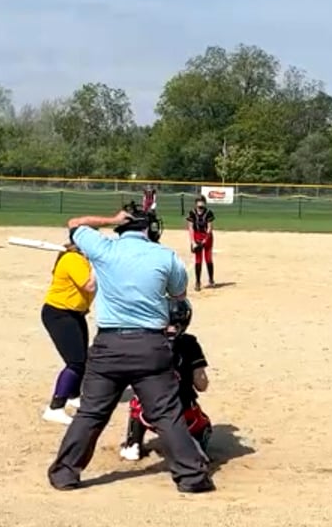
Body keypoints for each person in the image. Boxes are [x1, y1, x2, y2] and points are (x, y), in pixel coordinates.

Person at [47, 202, 213, 495]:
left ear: (122, 226)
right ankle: (191, 477)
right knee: (167, 414)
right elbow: (178, 295)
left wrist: (110, 219)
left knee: (91, 413)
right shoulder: (165, 256)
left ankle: (64, 474)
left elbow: (75, 223)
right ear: (149, 228)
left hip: (109, 345)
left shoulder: (104, 249)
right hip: (151, 344)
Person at [121, 297, 211, 461]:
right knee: (203, 423)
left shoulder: (145, 341)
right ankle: (191, 445)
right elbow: (201, 384)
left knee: (138, 400)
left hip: (149, 412)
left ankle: (133, 444)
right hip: (183, 414)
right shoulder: (190, 343)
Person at [40, 228, 97, 425]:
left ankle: (73, 395)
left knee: (82, 358)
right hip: (59, 314)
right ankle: (55, 407)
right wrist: (100, 265)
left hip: (74, 314)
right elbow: (89, 285)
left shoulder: (81, 259)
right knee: (75, 362)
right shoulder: (73, 259)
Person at [186, 197, 217, 290]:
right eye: (199, 207)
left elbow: (210, 228)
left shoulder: (208, 213)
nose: (200, 209)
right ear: (196, 205)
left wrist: (205, 240)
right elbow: (190, 228)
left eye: (202, 207)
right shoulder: (192, 213)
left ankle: (211, 279)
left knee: (208, 258)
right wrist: (193, 242)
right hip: (197, 235)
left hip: (207, 236)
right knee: (198, 259)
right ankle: (198, 282)